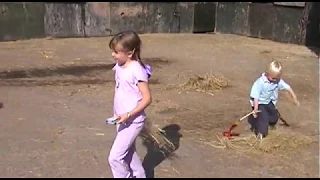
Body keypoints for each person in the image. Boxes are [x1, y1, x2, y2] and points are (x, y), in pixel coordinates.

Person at [107, 30, 152, 178]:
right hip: (121, 118)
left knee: (114, 157)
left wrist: (128, 114)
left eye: (116, 52)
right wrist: (119, 114)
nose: (113, 55)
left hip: (132, 120)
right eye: (113, 51)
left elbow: (147, 98)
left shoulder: (136, 70)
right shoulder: (120, 65)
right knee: (128, 153)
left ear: (130, 52)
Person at [248, 60, 299, 139]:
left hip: (268, 101)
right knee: (263, 119)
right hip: (259, 103)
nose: (275, 80)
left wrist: (294, 98)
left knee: (274, 117)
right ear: (267, 73)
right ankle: (260, 133)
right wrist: (255, 109)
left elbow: (288, 88)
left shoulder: (277, 80)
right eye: (273, 78)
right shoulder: (260, 83)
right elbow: (256, 97)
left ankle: (270, 124)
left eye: (277, 78)